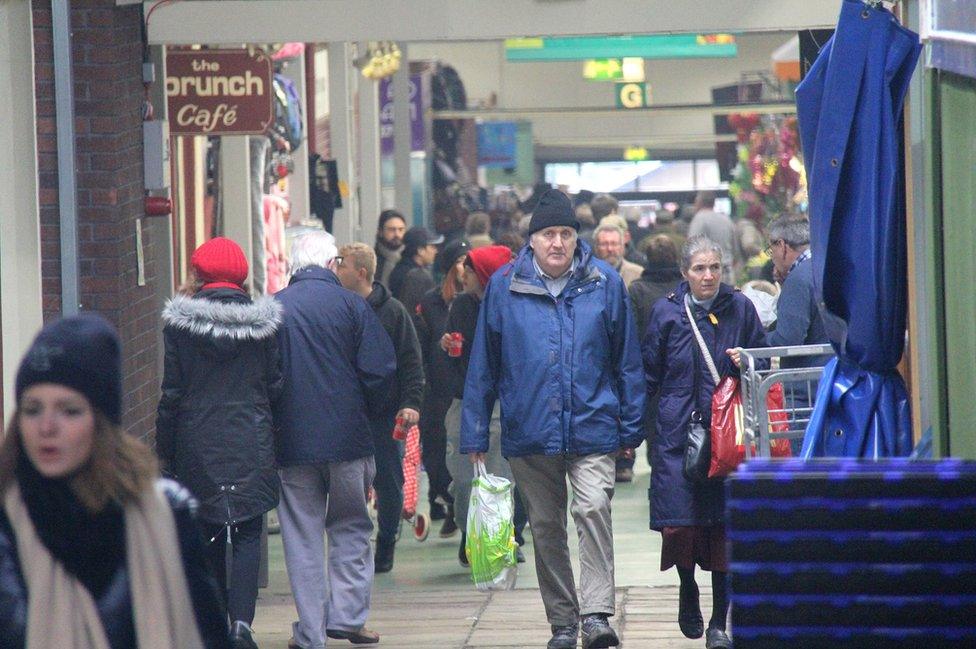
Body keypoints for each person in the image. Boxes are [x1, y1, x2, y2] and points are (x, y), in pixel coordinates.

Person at [461, 189, 645, 649]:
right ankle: (563, 622)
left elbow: (627, 360)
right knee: (545, 528)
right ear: (532, 240)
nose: (558, 242)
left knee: (592, 510)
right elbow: (484, 363)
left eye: (565, 233)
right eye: (548, 234)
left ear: (575, 238)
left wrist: (631, 425)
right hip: (531, 428)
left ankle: (597, 616)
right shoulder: (504, 286)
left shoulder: (604, 283)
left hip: (593, 424)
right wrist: (475, 430)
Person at [0, 314, 230, 649]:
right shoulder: (7, 529)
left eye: (69, 411)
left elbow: (209, 634)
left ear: (102, 422)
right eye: (32, 409)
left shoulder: (165, 517)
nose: (46, 427)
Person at [156, 237, 283, 649]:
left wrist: (166, 451)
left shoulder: (180, 329)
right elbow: (276, 385)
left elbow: (171, 393)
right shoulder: (265, 327)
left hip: (198, 440)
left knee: (208, 527)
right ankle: (242, 624)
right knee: (247, 531)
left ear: (199, 274)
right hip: (251, 437)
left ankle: (215, 627)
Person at [641, 236, 768, 649]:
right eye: (699, 269)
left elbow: (763, 359)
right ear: (684, 273)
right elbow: (649, 373)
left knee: (722, 530)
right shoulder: (666, 313)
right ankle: (687, 587)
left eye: (714, 267)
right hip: (677, 433)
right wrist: (641, 428)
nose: (708, 276)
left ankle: (718, 623)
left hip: (726, 436)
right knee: (679, 525)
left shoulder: (740, 307)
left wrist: (745, 360)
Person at [273, 232, 396, 649]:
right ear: (332, 264)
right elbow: (381, 371)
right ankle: (347, 617)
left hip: (292, 445)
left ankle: (310, 633)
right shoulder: (352, 306)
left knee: (302, 536)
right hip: (349, 441)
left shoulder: (274, 308)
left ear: (293, 266)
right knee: (351, 526)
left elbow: (264, 380)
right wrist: (366, 413)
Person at [335, 243, 425, 574]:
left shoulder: (393, 312)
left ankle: (386, 541)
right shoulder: (338, 309)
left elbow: (411, 362)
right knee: (347, 483)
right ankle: (355, 543)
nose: (335, 268)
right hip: (347, 413)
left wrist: (410, 403)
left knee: (388, 481)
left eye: (341, 263)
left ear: (360, 272)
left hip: (386, 414)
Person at [440, 245, 527, 567]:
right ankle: (469, 530)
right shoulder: (461, 305)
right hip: (464, 401)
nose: (464, 275)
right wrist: (447, 345)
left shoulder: (513, 306)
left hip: (502, 403)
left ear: (487, 276)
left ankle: (505, 538)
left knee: (503, 478)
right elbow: (454, 349)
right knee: (463, 480)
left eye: (472, 269)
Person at [414, 240, 470, 536]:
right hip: (437, 392)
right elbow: (420, 346)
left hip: (466, 390)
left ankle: (462, 511)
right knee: (436, 460)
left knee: (464, 459)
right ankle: (449, 502)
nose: (466, 267)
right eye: (461, 260)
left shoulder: (477, 299)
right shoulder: (431, 301)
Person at [618, 234, 684, 479]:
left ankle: (661, 477)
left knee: (655, 430)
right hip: (682, 370)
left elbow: (631, 333)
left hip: (650, 374)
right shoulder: (684, 288)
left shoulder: (637, 290)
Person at [388, 226, 444, 316]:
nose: (436, 251)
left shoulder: (399, 269)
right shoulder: (417, 277)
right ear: (420, 250)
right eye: (432, 246)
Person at [687, 191, 736, 284]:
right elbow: (735, 249)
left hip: (707, 274)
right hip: (727, 271)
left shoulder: (699, 219)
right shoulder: (726, 219)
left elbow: (692, 247)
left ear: (698, 202)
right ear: (713, 203)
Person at [593, 223, 643, 289]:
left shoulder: (637, 274)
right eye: (604, 244)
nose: (610, 249)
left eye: (614, 244)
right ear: (596, 247)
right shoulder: (584, 275)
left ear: (623, 246)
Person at [374, 209, 407, 289]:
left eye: (401, 229)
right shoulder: (372, 259)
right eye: (392, 229)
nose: (397, 234)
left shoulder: (409, 259)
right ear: (381, 232)